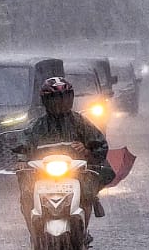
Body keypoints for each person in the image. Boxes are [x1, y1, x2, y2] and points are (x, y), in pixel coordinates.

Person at [11, 76, 115, 238]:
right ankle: (34, 237)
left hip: (76, 173)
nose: (61, 103)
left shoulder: (80, 122)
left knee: (87, 196)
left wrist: (87, 150)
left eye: (65, 97)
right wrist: (21, 160)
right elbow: (22, 145)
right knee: (26, 197)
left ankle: (83, 235)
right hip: (41, 174)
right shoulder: (37, 126)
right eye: (55, 99)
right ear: (46, 101)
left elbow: (100, 144)